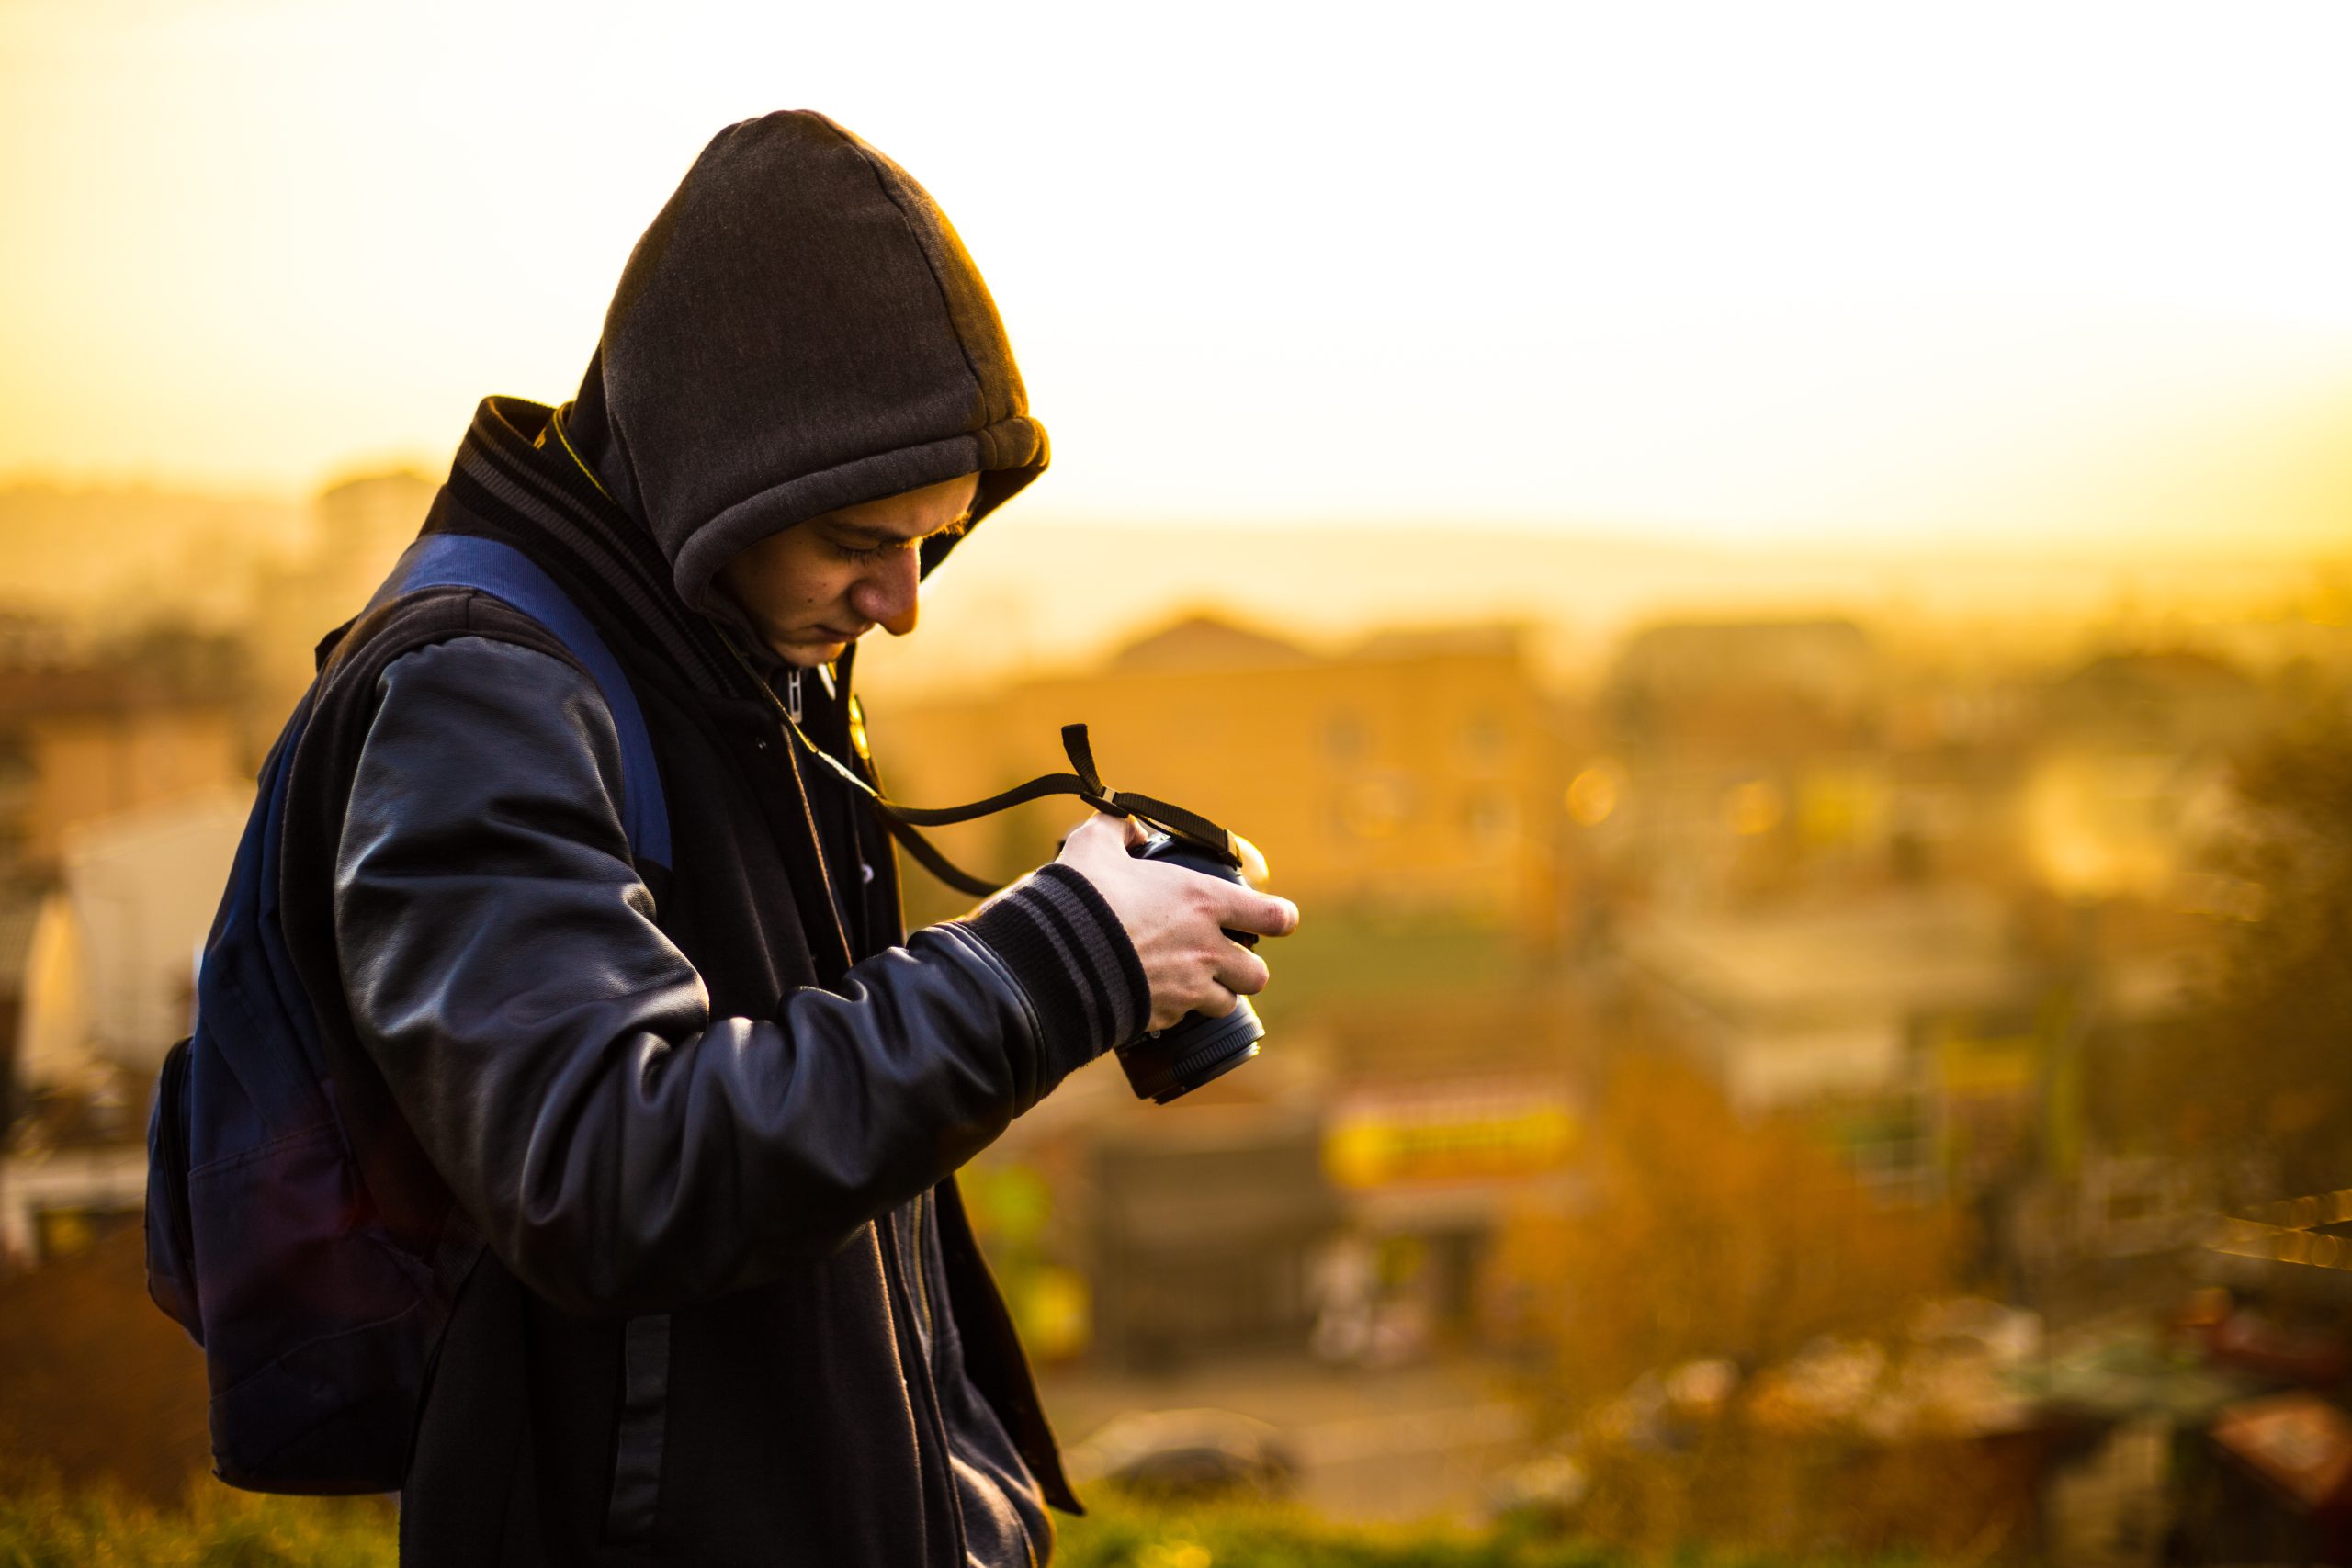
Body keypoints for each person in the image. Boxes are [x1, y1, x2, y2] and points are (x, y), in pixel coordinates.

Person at [274, 110, 1298, 1566]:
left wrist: (972, 1513)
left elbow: (814, 1135)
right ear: (717, 484)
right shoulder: (481, 699)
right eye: (860, 544)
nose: (904, 603)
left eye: (934, 542)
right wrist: (1054, 964)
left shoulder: (725, 648)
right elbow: (603, 1170)